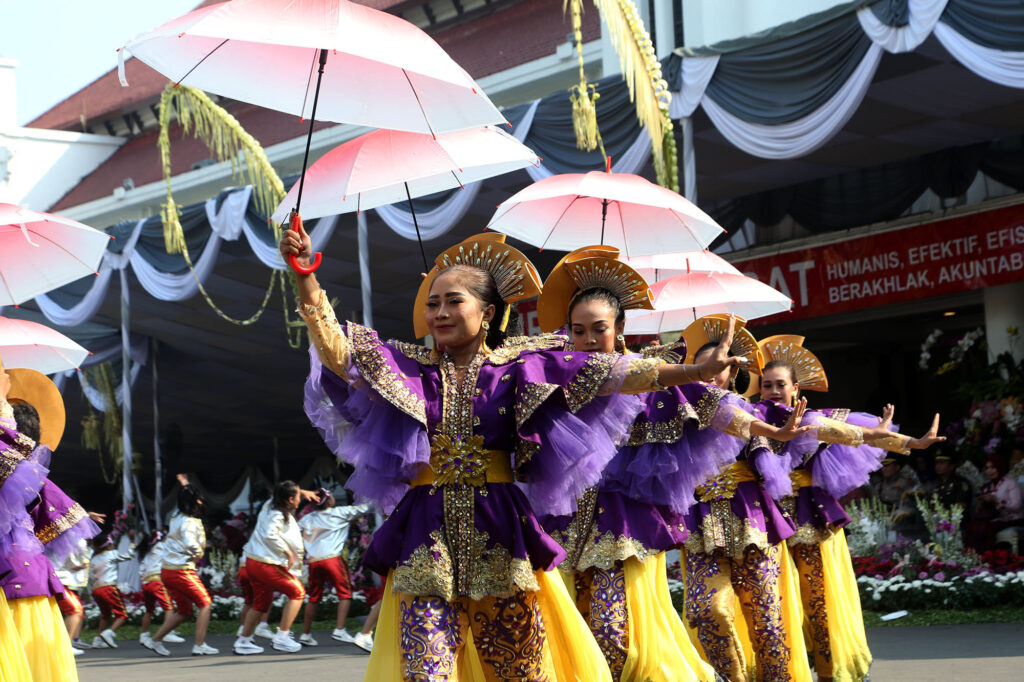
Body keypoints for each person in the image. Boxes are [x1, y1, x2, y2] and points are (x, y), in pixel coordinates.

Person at [283, 227, 750, 681]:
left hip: (502, 535)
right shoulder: (410, 368)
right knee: (423, 672)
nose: (440, 313)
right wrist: (306, 277)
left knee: (519, 669)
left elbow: (616, 373)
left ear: (486, 313)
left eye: (453, 301)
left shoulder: (524, 366)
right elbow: (338, 354)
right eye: (432, 304)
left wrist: (693, 370)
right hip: (424, 535)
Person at [532, 247, 809, 682]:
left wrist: (770, 432)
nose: (587, 340)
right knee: (571, 641)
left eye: (598, 329)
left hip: (622, 526)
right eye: (578, 330)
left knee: (612, 635)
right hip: (563, 522)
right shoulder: (554, 376)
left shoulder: (648, 375)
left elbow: (711, 404)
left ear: (620, 328)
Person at [756, 335, 939, 682]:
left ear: (796, 388)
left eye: (781, 385)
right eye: (767, 386)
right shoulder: (754, 421)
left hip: (812, 518)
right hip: (768, 522)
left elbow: (856, 431)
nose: (774, 391)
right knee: (778, 601)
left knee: (821, 597)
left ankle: (833, 670)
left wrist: (912, 443)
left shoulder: (815, 419)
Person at [0, 362, 101, 680]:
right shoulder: (25, 474)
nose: (6, 379)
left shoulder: (26, 475)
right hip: (21, 570)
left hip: (19, 571)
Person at [234, 480, 316, 655]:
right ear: (291, 499)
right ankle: (282, 637)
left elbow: (281, 491)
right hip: (264, 563)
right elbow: (270, 535)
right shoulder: (277, 514)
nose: (301, 499)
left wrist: (303, 490)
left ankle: (244, 641)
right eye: (298, 497)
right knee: (298, 592)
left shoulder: (269, 505)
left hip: (253, 561)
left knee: (261, 602)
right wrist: (286, 552)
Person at [143, 474, 219, 657]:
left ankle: (155, 640)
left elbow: (187, 496)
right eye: (199, 499)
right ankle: (199, 645)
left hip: (168, 571)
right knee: (205, 604)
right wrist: (198, 553)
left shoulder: (176, 516)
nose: (202, 501)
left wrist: (184, 483)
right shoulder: (188, 522)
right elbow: (190, 543)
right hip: (181, 571)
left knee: (184, 611)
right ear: (195, 502)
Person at [298, 489, 369, 646]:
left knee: (314, 597)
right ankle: (339, 629)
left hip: (314, 561)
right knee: (345, 594)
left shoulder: (307, 518)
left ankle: (306, 634)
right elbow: (365, 507)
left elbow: (296, 531)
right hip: (332, 559)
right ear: (328, 500)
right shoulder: (340, 512)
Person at [88, 531, 137, 649]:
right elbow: (130, 555)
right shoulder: (112, 554)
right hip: (109, 588)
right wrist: (132, 542)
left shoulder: (93, 559)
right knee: (122, 615)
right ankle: (109, 633)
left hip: (96, 590)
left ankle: (98, 639)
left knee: (105, 614)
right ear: (108, 545)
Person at [137, 530, 186, 646]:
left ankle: (144, 635)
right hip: (157, 581)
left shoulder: (147, 552)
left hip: (146, 582)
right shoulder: (163, 547)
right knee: (169, 607)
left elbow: (140, 571)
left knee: (149, 610)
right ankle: (168, 632)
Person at [966, 454, 1024, 550]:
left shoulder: (1010, 483)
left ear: (999, 467)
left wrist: (996, 500)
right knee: (972, 526)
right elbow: (982, 511)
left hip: (1013, 519)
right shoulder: (987, 487)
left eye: (993, 467)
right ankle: (972, 557)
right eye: (987, 468)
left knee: (986, 528)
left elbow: (1017, 505)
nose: (989, 471)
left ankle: (989, 556)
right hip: (993, 519)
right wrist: (981, 504)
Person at [55, 538, 91, 653]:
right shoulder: (73, 538)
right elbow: (82, 558)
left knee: (76, 610)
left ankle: (67, 643)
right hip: (58, 579)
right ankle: (65, 646)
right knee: (74, 610)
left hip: (60, 579)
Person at [236, 556, 274, 639]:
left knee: (249, 601)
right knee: (267, 597)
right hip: (258, 566)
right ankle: (262, 625)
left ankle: (243, 629)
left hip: (244, 567)